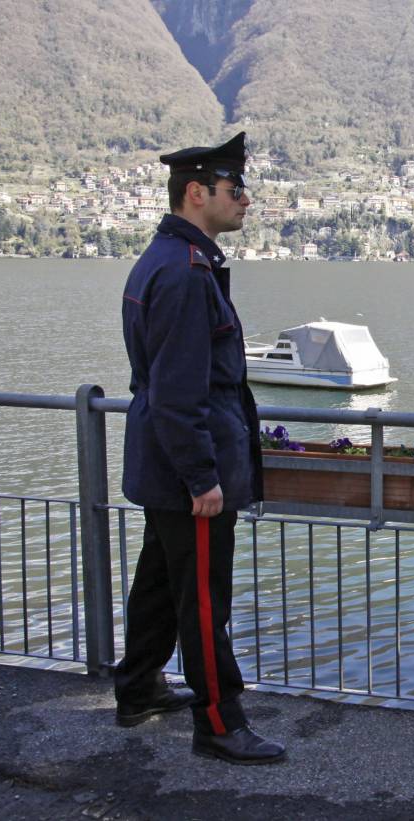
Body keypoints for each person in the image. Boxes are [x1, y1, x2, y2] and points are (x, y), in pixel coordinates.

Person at [113, 132, 285, 765]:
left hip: (165, 467)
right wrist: (203, 478)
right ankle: (219, 722)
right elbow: (181, 394)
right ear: (197, 193)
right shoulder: (185, 275)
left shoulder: (165, 258)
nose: (246, 200)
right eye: (235, 189)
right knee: (204, 599)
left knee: (161, 582)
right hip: (191, 474)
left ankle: (137, 689)